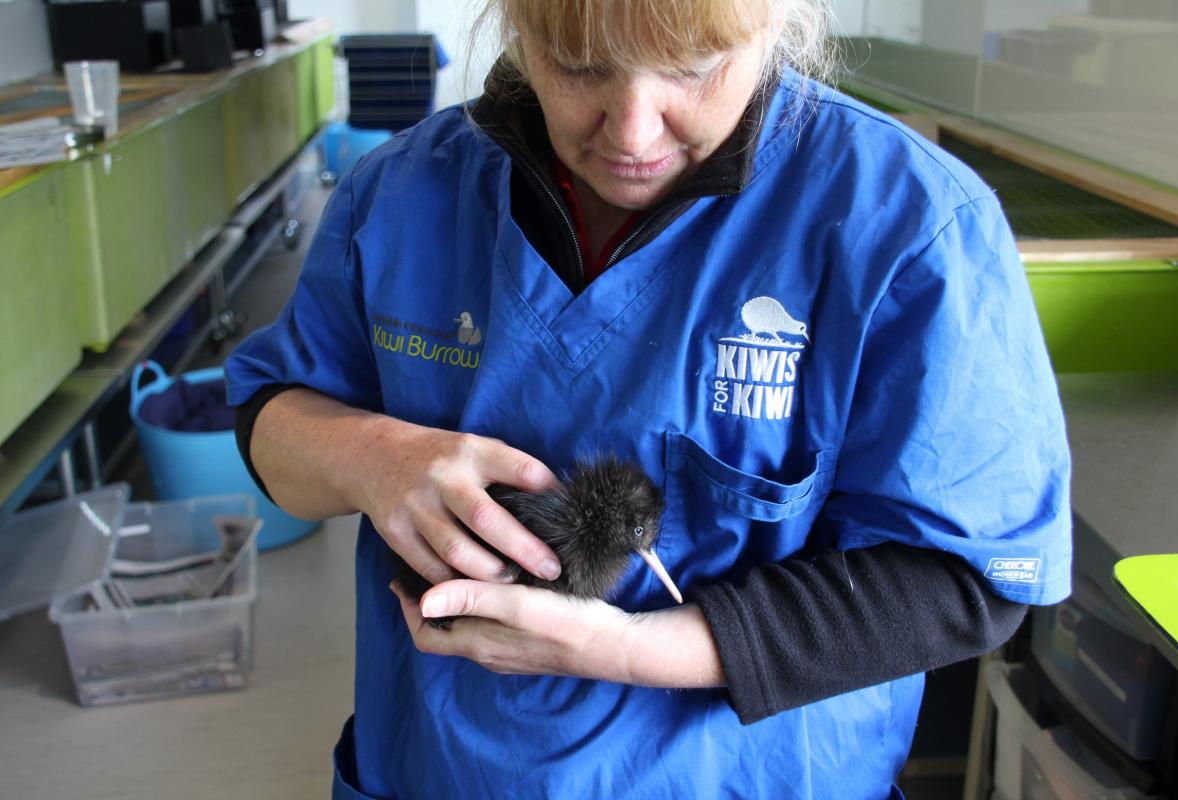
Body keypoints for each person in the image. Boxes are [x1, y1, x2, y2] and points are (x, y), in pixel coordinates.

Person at [224, 0, 1072, 797]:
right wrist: (371, 457)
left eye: (694, 68)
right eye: (580, 65)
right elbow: (271, 420)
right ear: (518, 24)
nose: (632, 131)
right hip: (444, 766)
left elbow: (969, 580)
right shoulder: (401, 194)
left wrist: (633, 649)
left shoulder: (909, 223)